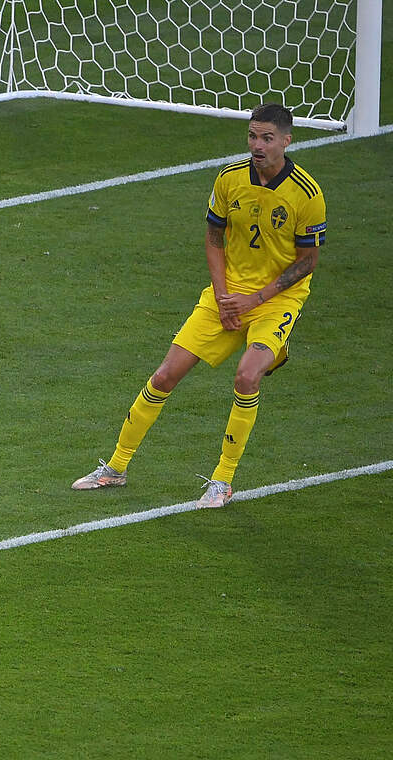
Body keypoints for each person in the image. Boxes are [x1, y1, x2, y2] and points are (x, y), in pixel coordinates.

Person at [72, 103, 325, 509]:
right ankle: (115, 468)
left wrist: (254, 299)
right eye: (252, 136)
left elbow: (308, 261)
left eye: (267, 138)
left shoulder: (307, 194)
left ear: (286, 141)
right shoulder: (229, 178)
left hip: (275, 300)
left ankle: (222, 480)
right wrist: (224, 298)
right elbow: (213, 238)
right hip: (227, 295)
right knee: (165, 375)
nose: (257, 146)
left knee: (247, 376)